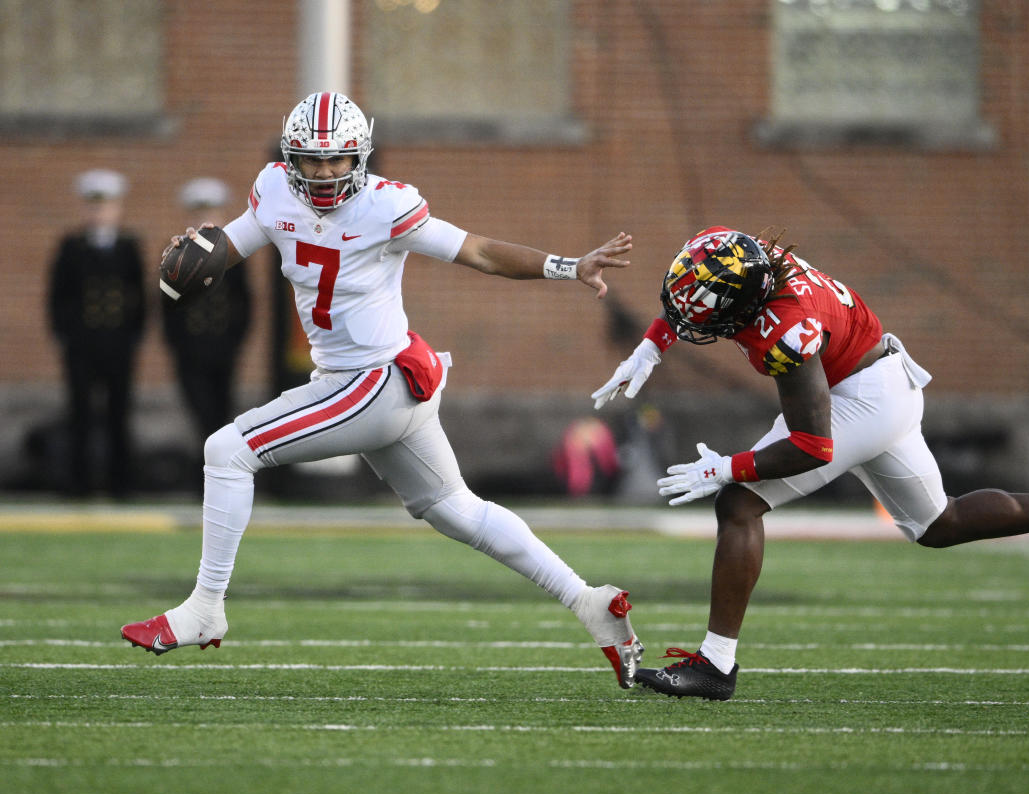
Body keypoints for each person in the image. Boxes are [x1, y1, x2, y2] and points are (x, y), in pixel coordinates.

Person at [121, 92, 643, 689]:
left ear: (359, 158)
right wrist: (195, 256)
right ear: (290, 158)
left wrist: (567, 265)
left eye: (337, 161)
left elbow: (477, 251)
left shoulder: (388, 206)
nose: (323, 174)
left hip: (375, 380)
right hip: (370, 383)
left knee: (228, 449)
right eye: (311, 161)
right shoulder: (272, 190)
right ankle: (590, 604)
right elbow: (233, 244)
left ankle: (204, 609)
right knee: (456, 510)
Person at [592, 226, 1029, 700]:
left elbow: (811, 446)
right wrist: (650, 345)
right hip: (881, 380)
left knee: (739, 502)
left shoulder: (786, 332)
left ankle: (716, 665)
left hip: (858, 398)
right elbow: (701, 292)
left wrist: (728, 468)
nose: (690, 317)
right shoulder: (744, 254)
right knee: (938, 524)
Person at [48, 169, 147, 498]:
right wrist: (67, 336)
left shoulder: (129, 246)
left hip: (118, 343)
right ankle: (78, 483)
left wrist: (134, 337)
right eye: (94, 206)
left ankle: (121, 482)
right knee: (79, 412)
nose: (100, 213)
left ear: (117, 209)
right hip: (82, 344)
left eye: (106, 206)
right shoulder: (71, 246)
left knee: (119, 411)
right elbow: (58, 296)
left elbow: (139, 297)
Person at [162, 178, 252, 445]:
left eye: (211, 213)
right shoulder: (177, 255)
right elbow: (168, 307)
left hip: (223, 346)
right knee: (199, 411)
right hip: (191, 349)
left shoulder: (232, 257)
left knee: (222, 411)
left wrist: (235, 341)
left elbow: (243, 303)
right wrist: (179, 345)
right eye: (200, 214)